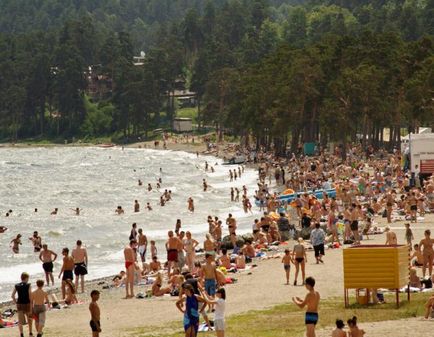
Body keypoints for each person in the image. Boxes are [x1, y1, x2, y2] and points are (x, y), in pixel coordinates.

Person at [11, 272, 33, 337]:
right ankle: (30, 333)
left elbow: (12, 296)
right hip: (27, 304)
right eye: (28, 278)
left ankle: (21, 334)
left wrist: (16, 303)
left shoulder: (16, 285)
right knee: (29, 319)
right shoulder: (28, 285)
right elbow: (30, 295)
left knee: (20, 321)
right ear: (26, 278)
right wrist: (32, 303)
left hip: (20, 304)